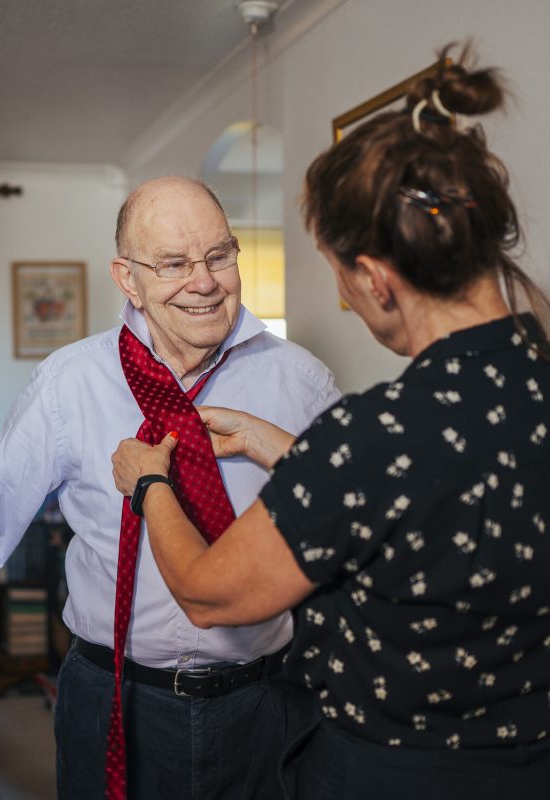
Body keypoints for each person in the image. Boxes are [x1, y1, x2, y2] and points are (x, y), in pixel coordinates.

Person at [0, 175, 340, 799]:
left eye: (219, 256)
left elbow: (353, 534)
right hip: (113, 698)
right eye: (173, 264)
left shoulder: (303, 384)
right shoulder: (70, 382)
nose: (204, 282)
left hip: (269, 700)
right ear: (127, 278)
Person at [111, 48, 550, 800]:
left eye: (341, 275)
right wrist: (284, 448)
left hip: (398, 773)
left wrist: (149, 481)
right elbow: (442, 493)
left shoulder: (375, 433)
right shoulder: (517, 386)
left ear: (376, 279)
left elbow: (212, 594)